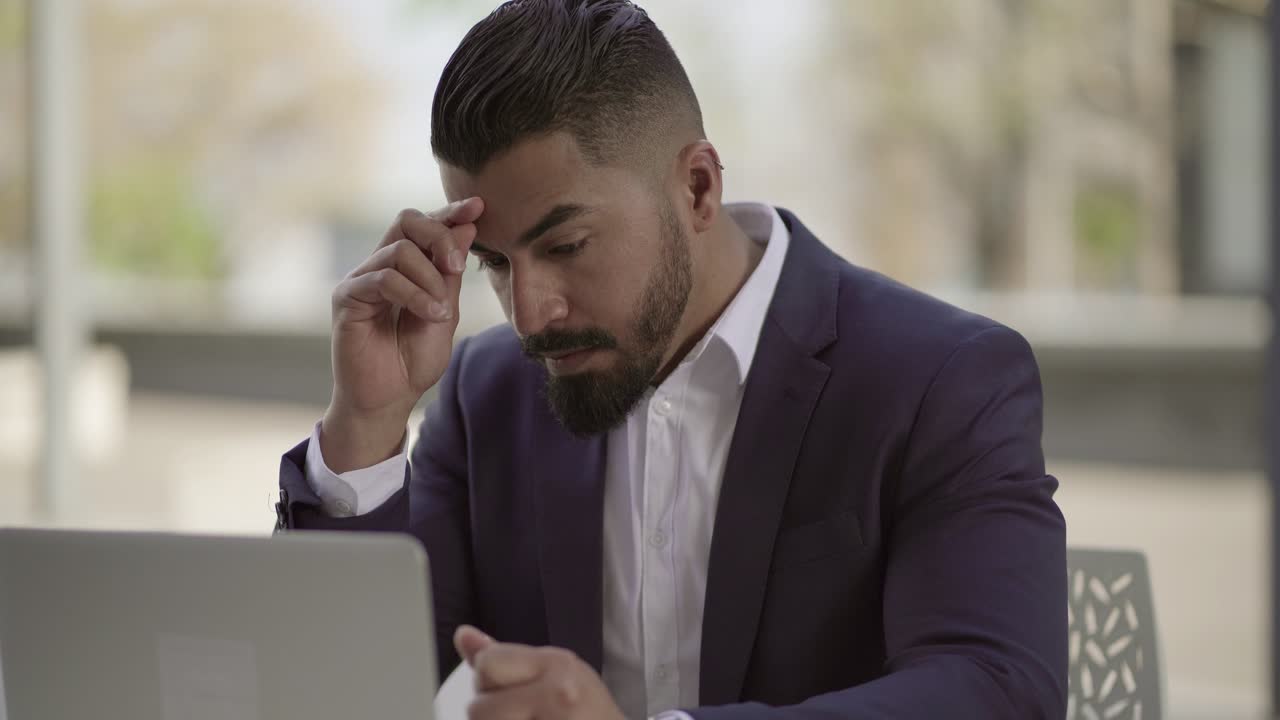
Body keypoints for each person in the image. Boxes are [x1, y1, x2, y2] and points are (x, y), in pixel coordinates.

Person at [276, 1, 1068, 718]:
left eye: (566, 245)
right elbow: (348, 690)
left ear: (696, 188)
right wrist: (368, 424)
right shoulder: (487, 392)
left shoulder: (941, 379)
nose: (529, 317)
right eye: (494, 262)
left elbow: (996, 688)